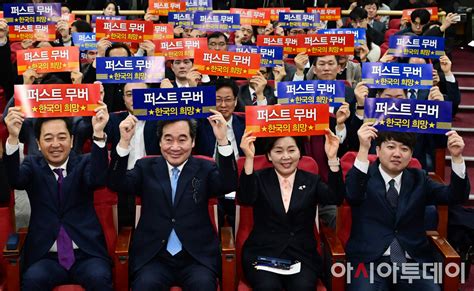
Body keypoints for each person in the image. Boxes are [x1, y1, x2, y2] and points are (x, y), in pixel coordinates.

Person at [107, 112, 238, 290]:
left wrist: (223, 140)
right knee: (144, 285)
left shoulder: (205, 168)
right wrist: (123, 142)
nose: (175, 147)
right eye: (168, 139)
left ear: (193, 142)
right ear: (160, 142)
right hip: (154, 257)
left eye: (182, 139)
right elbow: (116, 183)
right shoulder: (145, 168)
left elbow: (229, 183)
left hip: (196, 257)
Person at [3, 102, 113, 290]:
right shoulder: (32, 165)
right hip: (46, 256)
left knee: (100, 278)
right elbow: (14, 180)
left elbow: (98, 178)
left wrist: (99, 134)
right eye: (48, 138)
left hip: (86, 254)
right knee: (32, 281)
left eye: (62, 137)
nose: (55, 144)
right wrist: (13, 137)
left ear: (71, 140)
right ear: (38, 143)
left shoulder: (85, 163)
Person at [346, 125, 470, 290]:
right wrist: (363, 148)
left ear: (411, 154)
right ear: (377, 150)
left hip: (410, 263)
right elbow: (353, 194)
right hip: (369, 263)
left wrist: (456, 158)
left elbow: (455, 196)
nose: (397, 154)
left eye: (404, 149)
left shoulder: (419, 179)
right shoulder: (362, 176)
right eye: (390, 147)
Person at [238, 130, 345, 291]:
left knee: (302, 287)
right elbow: (245, 198)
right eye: (278, 151)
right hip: (263, 253)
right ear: (269, 155)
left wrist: (332, 159)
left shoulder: (311, 180)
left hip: (302, 256)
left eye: (291, 150)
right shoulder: (259, 178)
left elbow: (335, 198)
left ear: (300, 152)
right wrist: (249, 158)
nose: (286, 157)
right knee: (268, 287)